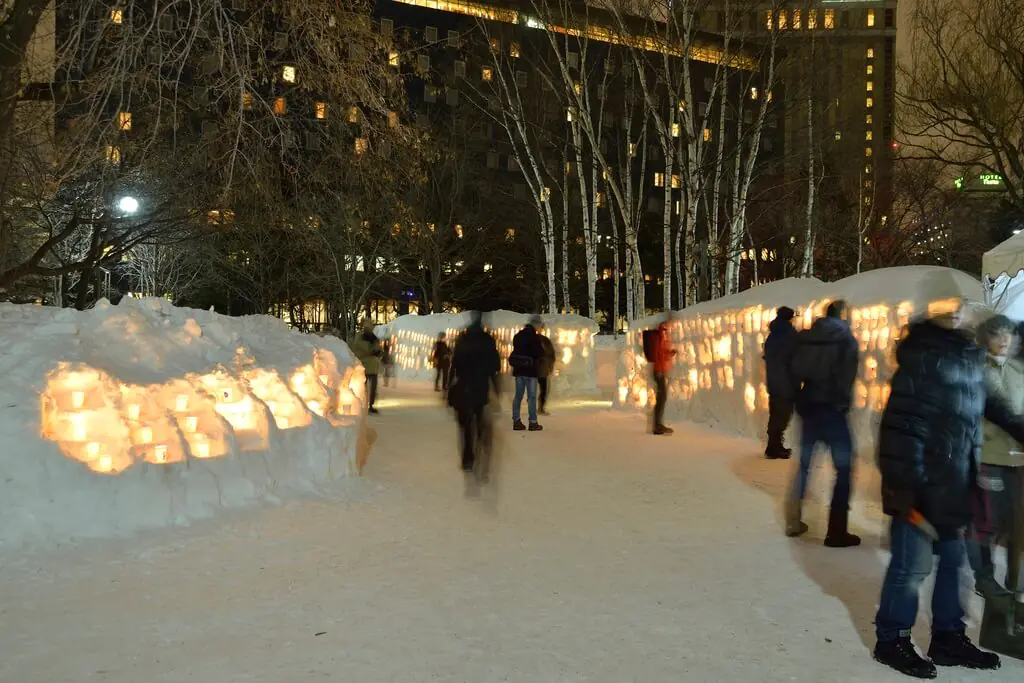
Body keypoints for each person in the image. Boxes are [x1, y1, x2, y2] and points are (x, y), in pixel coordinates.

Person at [872, 306, 1024, 678]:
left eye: (961, 310)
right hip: (918, 487)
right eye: (948, 309)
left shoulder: (968, 360)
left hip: (955, 484)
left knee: (955, 564)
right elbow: (900, 430)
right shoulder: (920, 361)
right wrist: (908, 489)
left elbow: (996, 408)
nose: (957, 315)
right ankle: (891, 639)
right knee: (912, 568)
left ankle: (947, 637)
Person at [786, 300, 860, 546]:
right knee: (844, 468)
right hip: (832, 410)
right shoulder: (845, 340)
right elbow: (846, 376)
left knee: (805, 465)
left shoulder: (805, 338)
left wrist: (799, 397)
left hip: (809, 406)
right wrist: (841, 402)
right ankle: (836, 531)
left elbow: (793, 369)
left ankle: (793, 520)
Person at [969, 315, 1023, 604]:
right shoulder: (977, 369)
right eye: (997, 334)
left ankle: (1014, 586)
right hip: (989, 456)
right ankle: (985, 577)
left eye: (1009, 334)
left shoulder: (1018, 371)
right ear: (986, 338)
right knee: (987, 522)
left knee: (1017, 526)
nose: (1004, 339)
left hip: (1019, 460)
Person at [448, 312, 501, 477]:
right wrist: (496, 387)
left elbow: (454, 364)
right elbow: (495, 366)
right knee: (479, 418)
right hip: (480, 386)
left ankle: (468, 457)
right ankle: (479, 444)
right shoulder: (488, 341)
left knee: (465, 425)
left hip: (464, 386)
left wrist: (449, 385)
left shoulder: (462, 340)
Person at [763, 306, 798, 460]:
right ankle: (773, 448)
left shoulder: (772, 336)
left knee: (775, 415)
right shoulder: (789, 335)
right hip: (787, 382)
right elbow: (795, 358)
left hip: (774, 381)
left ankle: (774, 446)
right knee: (782, 416)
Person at [508, 319, 544, 431]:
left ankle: (516, 420)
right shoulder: (535, 338)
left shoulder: (518, 336)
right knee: (532, 397)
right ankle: (533, 422)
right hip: (531, 371)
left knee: (518, 396)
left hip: (519, 370)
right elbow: (539, 353)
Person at [649, 315, 676, 436]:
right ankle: (657, 426)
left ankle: (657, 425)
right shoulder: (660, 335)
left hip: (659, 369)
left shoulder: (661, 334)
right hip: (658, 370)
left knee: (661, 398)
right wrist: (668, 355)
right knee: (661, 398)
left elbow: (661, 352)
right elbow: (659, 354)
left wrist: (669, 353)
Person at [350, 319, 382, 414]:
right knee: (364, 388)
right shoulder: (360, 339)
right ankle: (363, 404)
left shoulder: (374, 338)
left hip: (373, 366)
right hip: (364, 366)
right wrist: (370, 351)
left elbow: (377, 349)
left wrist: (378, 352)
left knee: (373, 388)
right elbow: (357, 351)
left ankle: (370, 405)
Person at [536, 322, 556, 416]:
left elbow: (552, 355)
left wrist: (550, 366)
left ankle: (540, 407)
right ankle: (536, 407)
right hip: (534, 369)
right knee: (535, 389)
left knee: (543, 389)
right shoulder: (536, 340)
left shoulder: (545, 340)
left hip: (542, 369)